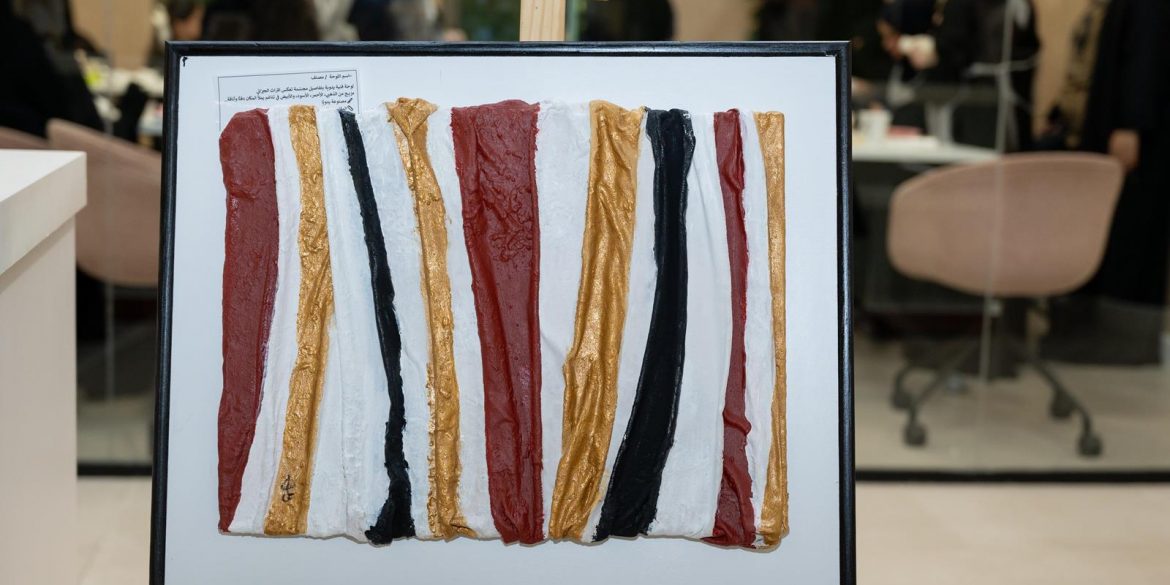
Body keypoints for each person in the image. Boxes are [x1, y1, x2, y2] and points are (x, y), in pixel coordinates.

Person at [1041, 0, 1170, 364]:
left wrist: (1132, 124)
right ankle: (1092, 333)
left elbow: (1145, 55)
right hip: (1109, 130)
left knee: (1127, 234)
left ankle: (1119, 341)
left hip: (1132, 137)